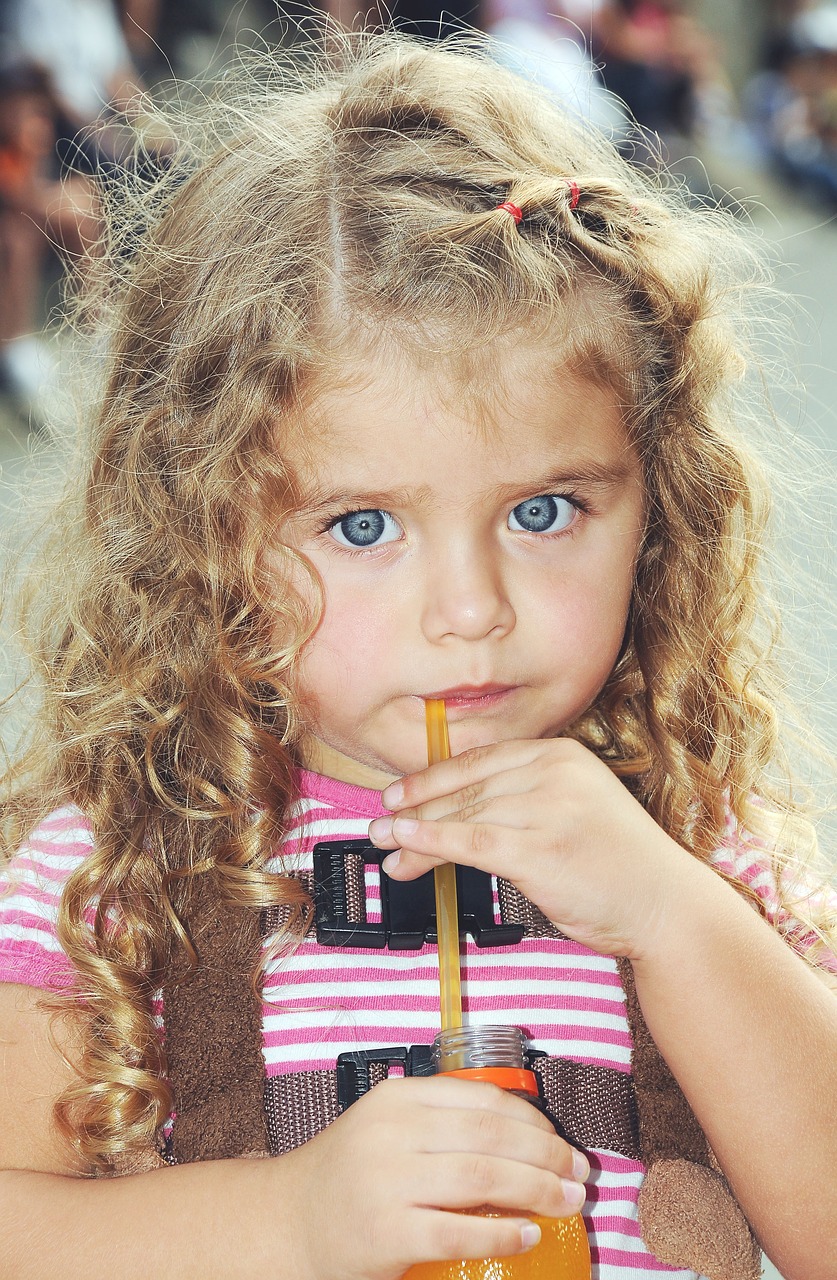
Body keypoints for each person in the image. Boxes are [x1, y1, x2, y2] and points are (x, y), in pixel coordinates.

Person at [0, 28, 836, 1280]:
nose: (471, 610)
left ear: (655, 497)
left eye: (544, 510)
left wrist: (675, 916)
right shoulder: (115, 859)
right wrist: (288, 1219)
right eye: (363, 525)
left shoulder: (694, 841)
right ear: (207, 525)